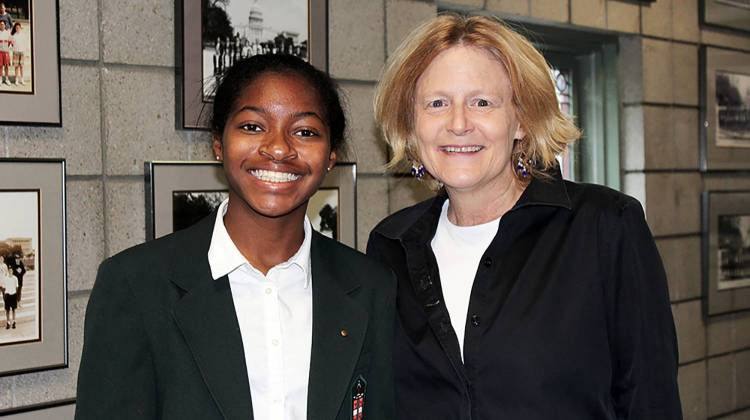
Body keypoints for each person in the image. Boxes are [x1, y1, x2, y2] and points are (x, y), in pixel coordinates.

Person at [367, 14, 682, 419]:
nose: (458, 124)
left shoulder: (605, 227)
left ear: (521, 120)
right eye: (437, 103)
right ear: (412, 124)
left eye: (482, 102)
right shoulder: (390, 246)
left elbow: (650, 401)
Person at [76, 54, 396, 420]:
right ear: (218, 143)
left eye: (305, 131)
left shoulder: (371, 287)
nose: (278, 148)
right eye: (253, 126)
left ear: (330, 157)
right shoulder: (135, 286)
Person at [0, 263, 16, 330]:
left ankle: (14, 322)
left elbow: (17, 287)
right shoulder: (5, 279)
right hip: (7, 295)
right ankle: (8, 323)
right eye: (9, 271)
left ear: (12, 271)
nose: (10, 272)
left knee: (13, 310)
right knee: (7, 310)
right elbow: (3, 287)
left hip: (13, 295)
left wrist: (15, 295)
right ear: (8, 271)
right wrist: (5, 295)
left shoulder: (15, 278)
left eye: (11, 271)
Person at [0, 20, 12, 85]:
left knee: (6, 66)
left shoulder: (7, 33)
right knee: (0, 66)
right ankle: (0, 78)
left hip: (6, 52)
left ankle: (7, 79)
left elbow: (10, 42)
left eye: (3, 24)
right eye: (1, 24)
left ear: (5, 25)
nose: (2, 25)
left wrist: (8, 47)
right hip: (0, 52)